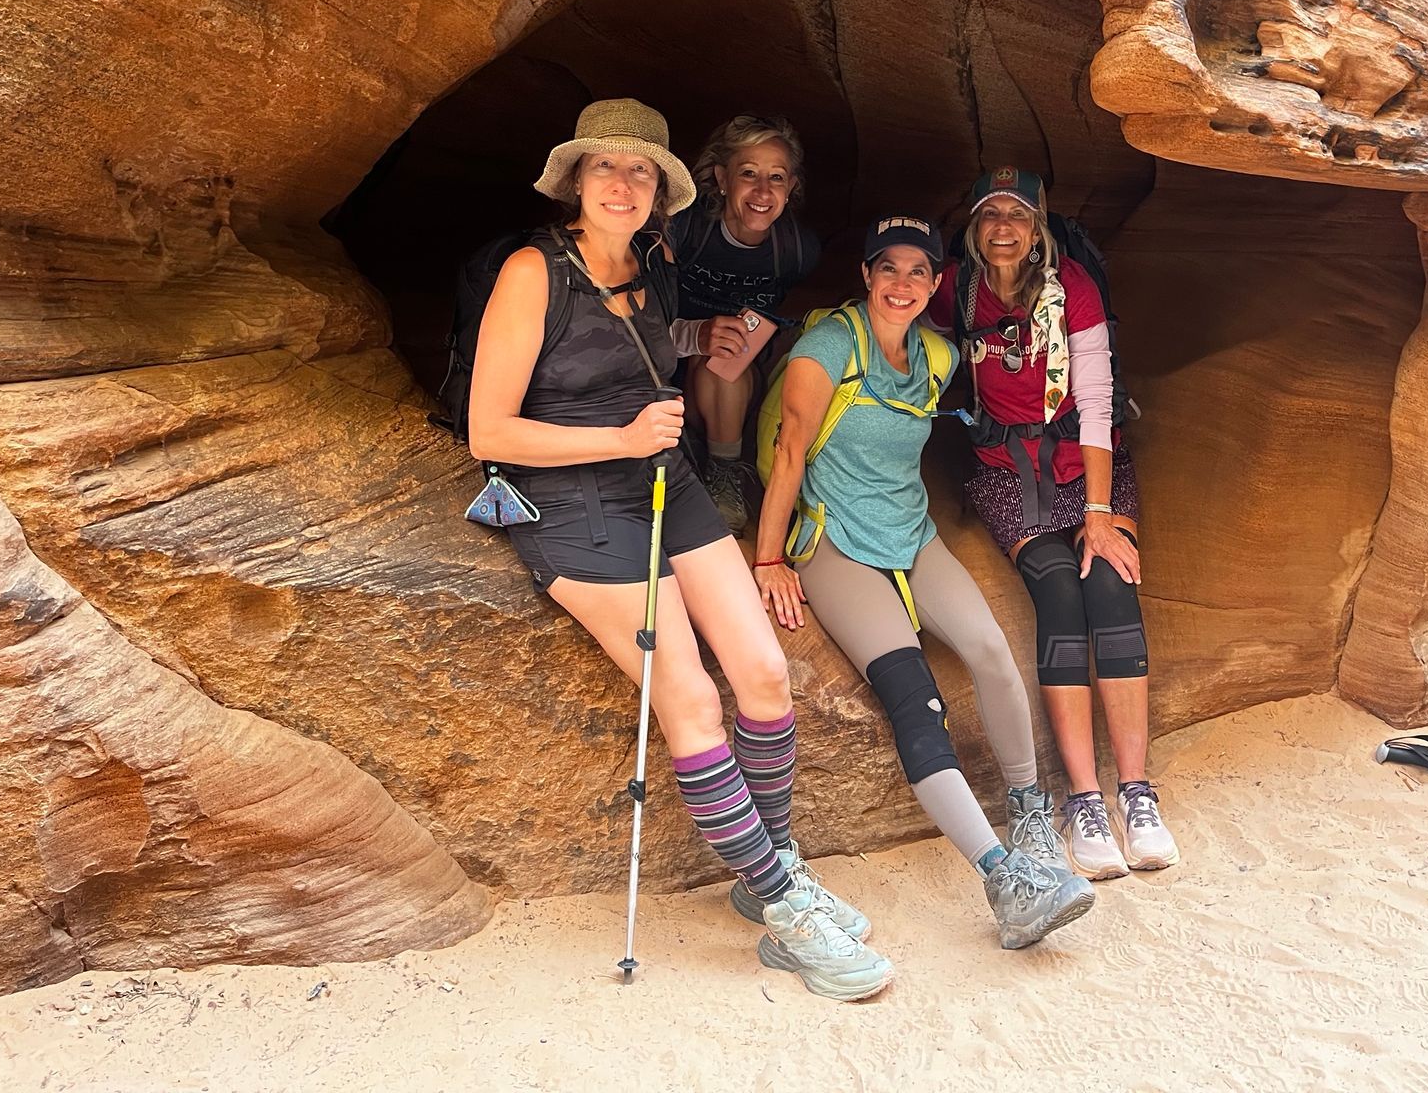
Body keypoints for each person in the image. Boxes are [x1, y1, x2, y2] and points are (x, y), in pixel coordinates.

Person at [469, 97, 890, 1001]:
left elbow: (657, 350)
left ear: (662, 192)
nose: (621, 185)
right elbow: (488, 431)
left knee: (766, 674)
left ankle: (771, 869)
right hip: (572, 497)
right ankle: (786, 908)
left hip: (662, 480)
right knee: (693, 697)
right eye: (604, 168)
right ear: (576, 182)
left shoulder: (653, 267)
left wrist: (714, 343)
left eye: (639, 172)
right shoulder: (532, 272)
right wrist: (621, 439)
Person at [752, 213, 1095, 950]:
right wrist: (768, 559)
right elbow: (788, 455)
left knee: (992, 651)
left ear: (937, 283)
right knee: (916, 696)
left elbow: (1016, 389)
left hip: (911, 531)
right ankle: (1004, 877)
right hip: (836, 541)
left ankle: (1029, 811)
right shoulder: (826, 350)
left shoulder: (937, 357)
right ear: (867, 276)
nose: (901, 283)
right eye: (888, 268)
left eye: (918, 271)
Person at [933, 167, 1179, 878]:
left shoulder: (1072, 284)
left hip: (1090, 464)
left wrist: (1100, 516)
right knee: (1057, 590)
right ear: (975, 228)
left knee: (1110, 585)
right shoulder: (959, 290)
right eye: (990, 215)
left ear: (1039, 224)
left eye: (1017, 214)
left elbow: (1097, 399)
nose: (1003, 228)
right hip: (1008, 472)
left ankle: (1135, 790)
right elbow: (905, 331)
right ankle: (1083, 798)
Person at [669, 116, 821, 534]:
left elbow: (799, 317)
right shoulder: (685, 229)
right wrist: (695, 335)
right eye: (748, 174)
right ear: (721, 178)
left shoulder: (794, 250)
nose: (762, 191)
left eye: (776, 177)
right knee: (713, 353)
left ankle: (725, 471)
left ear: (791, 188)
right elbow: (635, 315)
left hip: (737, 387)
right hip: (666, 375)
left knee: (726, 359)